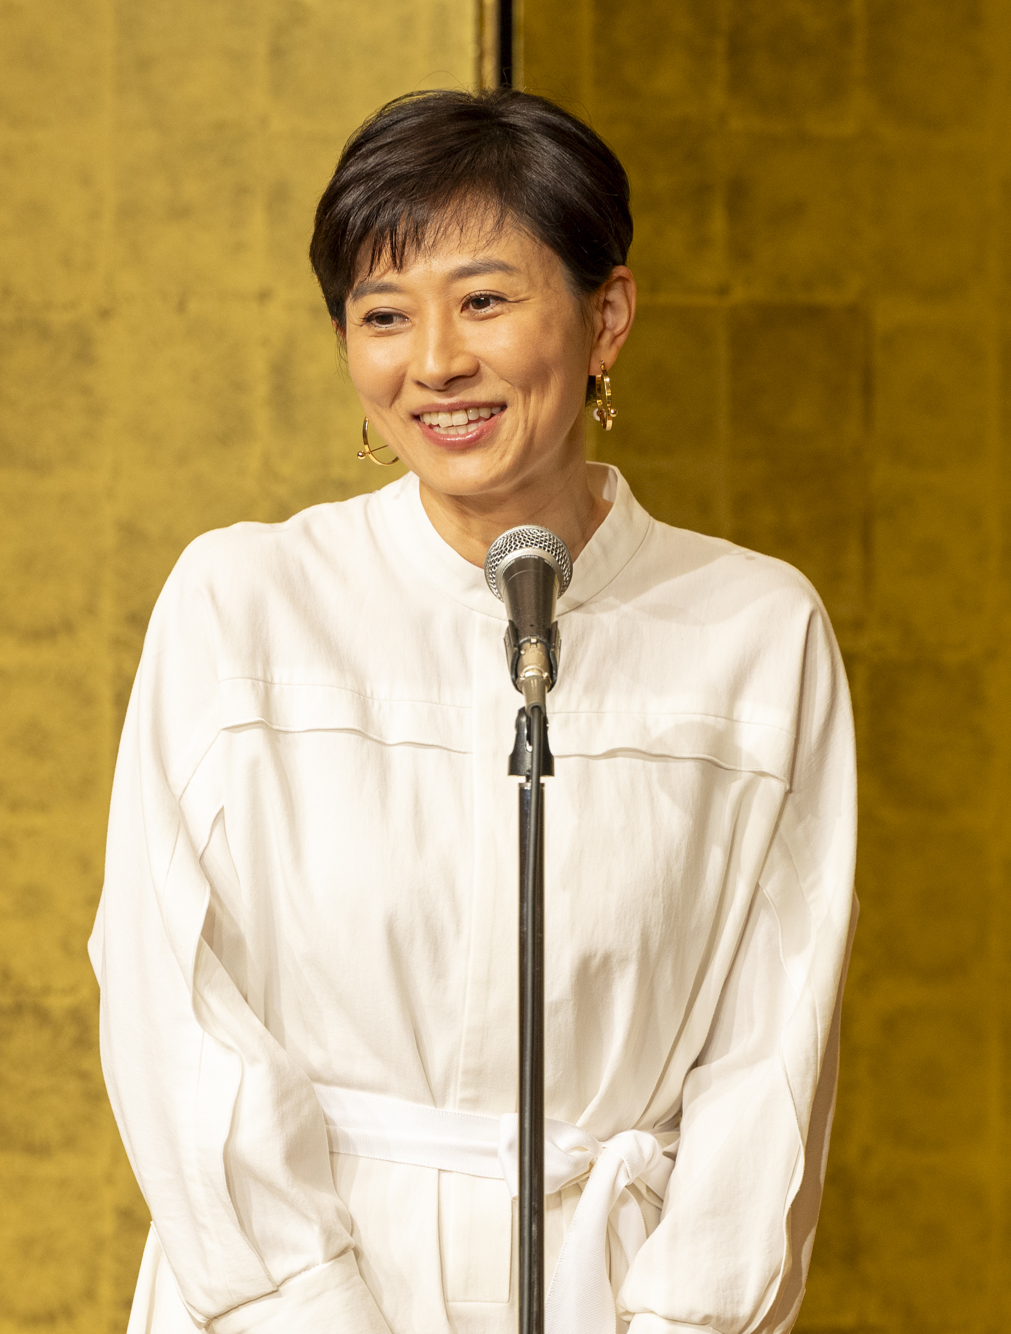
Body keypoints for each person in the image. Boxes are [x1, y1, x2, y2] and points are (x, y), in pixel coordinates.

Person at [89, 89, 858, 1334]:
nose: (434, 361)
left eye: (484, 300)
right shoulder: (244, 602)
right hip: (291, 1293)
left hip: (606, 1292)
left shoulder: (752, 630)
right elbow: (167, 998)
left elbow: (774, 1046)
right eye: (382, 315)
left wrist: (679, 1322)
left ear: (606, 316)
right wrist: (309, 1310)